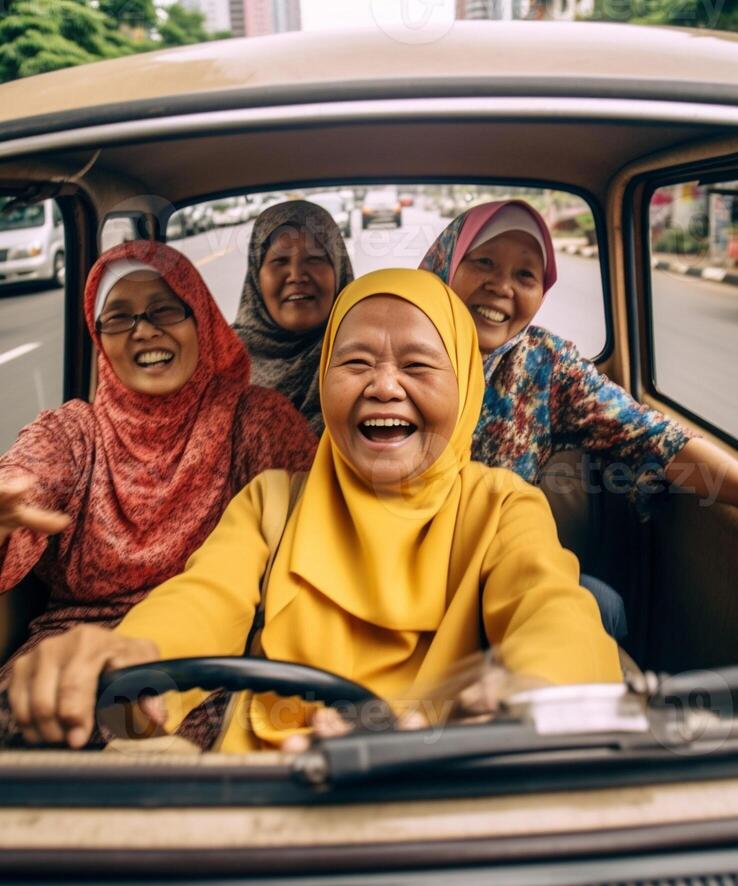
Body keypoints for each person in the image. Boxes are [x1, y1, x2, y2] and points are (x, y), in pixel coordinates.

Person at [7, 268, 621, 752]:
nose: (383, 385)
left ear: (465, 386)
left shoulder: (502, 506)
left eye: (417, 365)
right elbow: (203, 600)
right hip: (271, 772)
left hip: (446, 770)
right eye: (355, 362)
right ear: (324, 379)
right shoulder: (273, 500)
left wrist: (532, 690)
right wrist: (132, 655)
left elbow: (552, 609)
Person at [0, 240, 316, 709]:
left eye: (165, 311)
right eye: (120, 318)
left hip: (219, 661)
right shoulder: (73, 433)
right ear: (100, 338)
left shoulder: (256, 420)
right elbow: (27, 476)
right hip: (68, 661)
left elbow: (316, 539)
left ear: (202, 320)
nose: (143, 331)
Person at [420, 200, 738, 638]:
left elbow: (652, 437)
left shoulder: (545, 365)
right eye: (484, 262)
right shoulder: (393, 344)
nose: (501, 286)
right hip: (391, 570)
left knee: (603, 606)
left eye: (525, 275)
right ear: (447, 265)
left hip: (497, 576)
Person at [233, 200, 354, 436]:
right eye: (280, 261)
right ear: (256, 276)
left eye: (315, 259)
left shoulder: (367, 355)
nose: (297, 275)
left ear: (338, 270)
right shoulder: (222, 362)